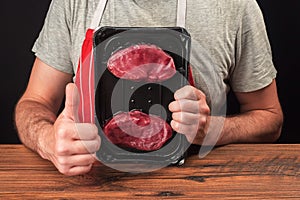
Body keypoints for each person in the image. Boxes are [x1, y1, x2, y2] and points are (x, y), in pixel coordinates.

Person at [15, 0, 283, 176]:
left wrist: (212, 129)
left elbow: (270, 118)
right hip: (93, 180)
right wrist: (46, 140)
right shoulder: (74, 3)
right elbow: (34, 102)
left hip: (196, 182)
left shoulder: (233, 6)